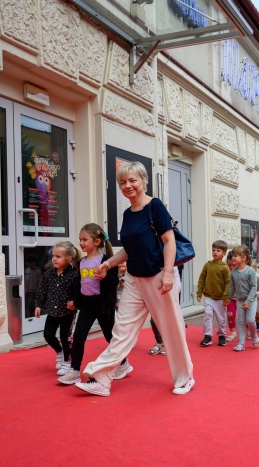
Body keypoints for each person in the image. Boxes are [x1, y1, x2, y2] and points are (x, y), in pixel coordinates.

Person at [74, 161, 194, 396]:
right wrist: (108, 263)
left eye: (132, 180)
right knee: (122, 330)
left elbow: (169, 241)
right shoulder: (128, 214)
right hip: (133, 279)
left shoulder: (155, 206)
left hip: (158, 276)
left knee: (171, 329)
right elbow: (128, 250)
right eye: (123, 182)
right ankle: (102, 379)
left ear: (144, 181)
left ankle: (185, 378)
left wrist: (167, 273)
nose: (127, 185)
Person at [57, 224, 130, 384]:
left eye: (85, 239)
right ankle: (75, 370)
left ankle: (123, 363)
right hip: (87, 306)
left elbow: (114, 282)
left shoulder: (106, 261)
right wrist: (75, 301)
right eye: (80, 239)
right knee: (78, 336)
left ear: (97, 241)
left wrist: (104, 276)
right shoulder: (81, 262)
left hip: (103, 305)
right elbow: (79, 285)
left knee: (110, 336)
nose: (81, 243)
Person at [34, 241, 80, 374]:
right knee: (48, 335)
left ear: (69, 259)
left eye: (58, 256)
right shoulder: (48, 274)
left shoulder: (74, 275)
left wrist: (74, 302)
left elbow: (77, 292)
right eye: (53, 256)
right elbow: (42, 290)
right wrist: (38, 305)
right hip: (52, 313)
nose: (54, 259)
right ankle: (59, 351)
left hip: (67, 313)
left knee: (66, 338)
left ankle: (67, 362)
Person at [197, 240, 230, 347]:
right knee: (208, 315)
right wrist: (199, 292)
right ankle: (207, 336)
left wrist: (226, 296)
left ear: (224, 253)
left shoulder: (225, 267)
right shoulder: (208, 265)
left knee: (221, 319)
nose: (215, 252)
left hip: (220, 298)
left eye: (218, 251)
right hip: (208, 297)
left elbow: (228, 283)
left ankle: (222, 336)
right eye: (213, 250)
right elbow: (202, 279)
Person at [229, 245, 259, 351]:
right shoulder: (233, 272)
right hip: (240, 300)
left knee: (250, 320)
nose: (233, 258)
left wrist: (249, 301)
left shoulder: (250, 271)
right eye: (233, 256)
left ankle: (254, 336)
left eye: (236, 256)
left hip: (251, 300)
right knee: (241, 321)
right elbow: (232, 287)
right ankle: (241, 343)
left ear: (244, 258)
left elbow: (254, 287)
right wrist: (228, 298)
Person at [225, 251, 238, 342]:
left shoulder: (242, 272)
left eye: (234, 265)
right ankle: (233, 333)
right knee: (230, 315)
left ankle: (249, 331)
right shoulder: (226, 273)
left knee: (243, 317)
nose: (232, 267)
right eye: (229, 265)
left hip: (241, 299)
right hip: (230, 299)